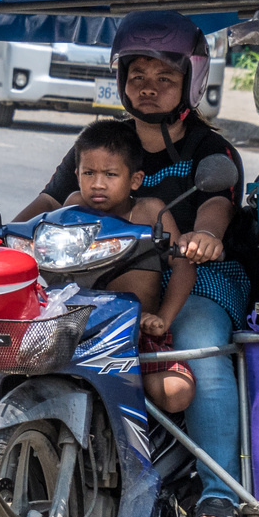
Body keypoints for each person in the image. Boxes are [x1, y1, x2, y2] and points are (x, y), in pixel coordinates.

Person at [11, 11, 250, 517]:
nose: (149, 89)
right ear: (121, 81)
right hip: (113, 271)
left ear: (190, 81)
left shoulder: (212, 150)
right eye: (138, 77)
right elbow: (50, 200)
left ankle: (217, 491)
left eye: (164, 79)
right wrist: (5, 234)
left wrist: (203, 236)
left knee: (200, 348)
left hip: (198, 276)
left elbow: (215, 205)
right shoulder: (103, 145)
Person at [61, 120, 196, 413]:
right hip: (78, 327)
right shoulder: (72, 207)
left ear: (135, 180)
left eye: (110, 174)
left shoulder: (150, 212)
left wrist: (163, 319)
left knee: (177, 393)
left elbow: (183, 266)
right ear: (76, 174)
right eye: (89, 173)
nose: (98, 183)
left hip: (138, 333)